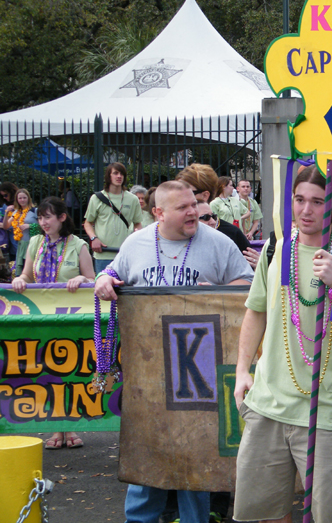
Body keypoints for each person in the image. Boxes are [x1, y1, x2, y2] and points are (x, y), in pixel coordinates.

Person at [233, 166, 332, 523]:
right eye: (299, 200)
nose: (306, 210)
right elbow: (256, 311)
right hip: (266, 407)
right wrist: (242, 370)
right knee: (263, 515)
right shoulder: (276, 249)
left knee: (329, 517)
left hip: (323, 412)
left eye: (317, 202)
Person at [95, 181, 253, 523]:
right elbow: (111, 273)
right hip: (147, 373)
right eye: (183, 208)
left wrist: (220, 292)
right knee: (146, 449)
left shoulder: (218, 243)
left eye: (193, 205)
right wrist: (103, 281)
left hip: (200, 372)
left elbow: (248, 286)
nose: (193, 212)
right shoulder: (135, 243)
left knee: (194, 452)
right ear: (158, 213)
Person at [12, 197, 94, 449]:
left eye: (48, 217)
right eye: (40, 217)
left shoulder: (78, 245)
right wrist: (20, 280)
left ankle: (69, 426)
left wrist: (80, 278)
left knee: (69, 369)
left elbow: (92, 278)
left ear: (61, 217)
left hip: (70, 316)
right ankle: (58, 428)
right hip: (40, 315)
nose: (43, 222)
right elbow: (27, 273)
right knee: (46, 370)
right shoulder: (34, 242)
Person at [84, 162, 143, 273]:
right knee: (103, 288)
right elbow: (88, 223)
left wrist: (137, 235)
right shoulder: (96, 198)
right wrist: (93, 238)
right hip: (103, 254)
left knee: (124, 289)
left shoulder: (133, 199)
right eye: (115, 173)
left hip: (125, 253)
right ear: (108, 176)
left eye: (122, 174)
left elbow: (137, 223)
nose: (119, 176)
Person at [197, 201, 258, 269]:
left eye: (214, 217)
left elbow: (247, 269)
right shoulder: (185, 244)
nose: (213, 222)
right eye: (206, 218)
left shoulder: (230, 235)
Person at [4, 188, 37, 277]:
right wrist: (7, 213)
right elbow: (6, 226)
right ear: (17, 200)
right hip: (20, 245)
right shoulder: (16, 212)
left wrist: (29, 226)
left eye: (24, 198)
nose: (22, 200)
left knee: (32, 268)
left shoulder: (35, 211)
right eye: (20, 198)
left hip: (32, 244)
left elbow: (44, 226)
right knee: (21, 269)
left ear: (28, 198)